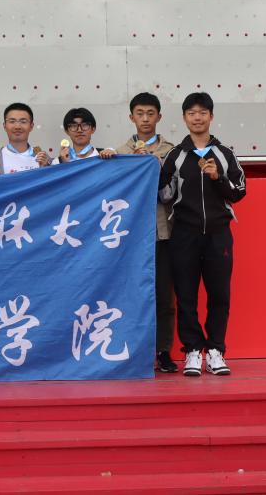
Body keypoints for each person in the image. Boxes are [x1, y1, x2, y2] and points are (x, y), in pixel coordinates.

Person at [158, 92, 247, 378]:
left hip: (218, 234)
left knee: (219, 295)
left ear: (211, 117)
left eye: (202, 113)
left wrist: (217, 178)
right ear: (184, 118)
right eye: (191, 113)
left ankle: (216, 350)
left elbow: (239, 192)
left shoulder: (225, 154)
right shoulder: (175, 155)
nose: (197, 118)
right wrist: (155, 172)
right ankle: (193, 350)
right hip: (184, 234)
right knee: (185, 296)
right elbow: (165, 195)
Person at [114, 93, 178, 373]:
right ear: (131, 117)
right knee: (129, 295)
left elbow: (172, 195)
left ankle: (163, 351)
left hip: (162, 234)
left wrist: (156, 167)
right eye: (139, 113)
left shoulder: (171, 152)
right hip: (130, 237)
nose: (145, 119)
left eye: (150, 113)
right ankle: (131, 350)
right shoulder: (119, 152)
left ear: (159, 117)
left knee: (164, 296)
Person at [0, 102, 54, 175]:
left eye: (23, 122)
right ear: (4, 126)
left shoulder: (44, 159)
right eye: (12, 121)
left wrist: (47, 167)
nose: (17, 126)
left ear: (31, 126)